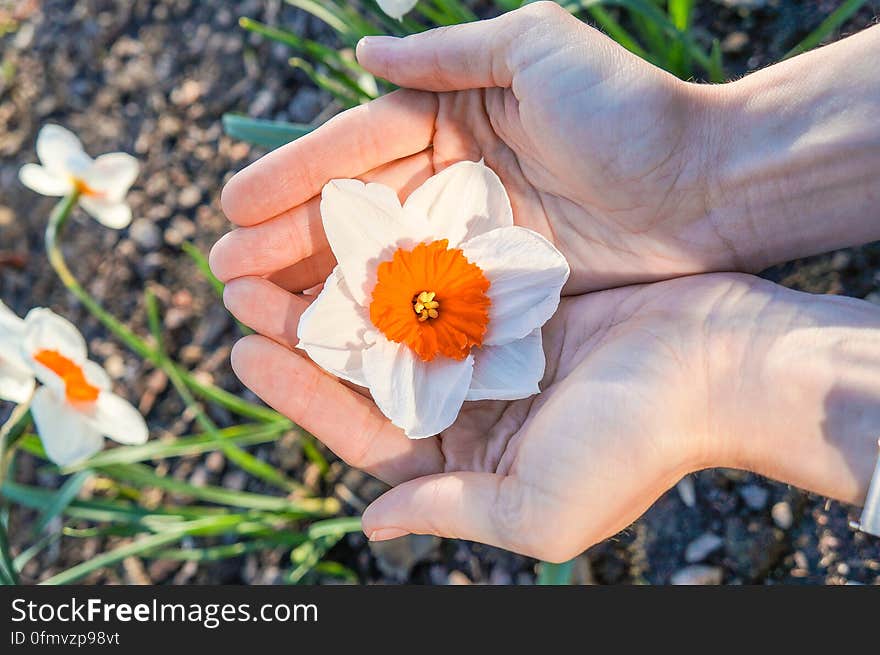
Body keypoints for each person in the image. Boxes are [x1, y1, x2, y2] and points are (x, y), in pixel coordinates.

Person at [209, 2, 880, 562]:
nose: (421, 301)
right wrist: (703, 162)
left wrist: (702, 167)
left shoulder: (460, 231)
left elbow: (470, 220)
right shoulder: (396, 304)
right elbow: (420, 390)